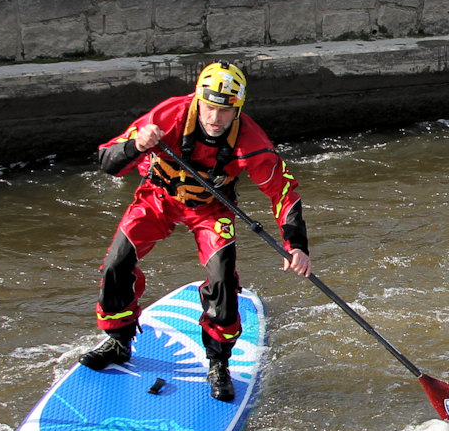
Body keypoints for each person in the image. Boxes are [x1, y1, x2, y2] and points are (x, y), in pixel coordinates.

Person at [82, 60, 311, 402]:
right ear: (197, 100)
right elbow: (107, 161)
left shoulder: (251, 140)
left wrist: (296, 245)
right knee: (117, 264)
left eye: (226, 110)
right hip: (158, 198)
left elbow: (283, 192)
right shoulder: (167, 115)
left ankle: (218, 362)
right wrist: (137, 145)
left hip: (211, 209)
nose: (215, 118)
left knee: (222, 281)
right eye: (209, 107)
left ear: (238, 109)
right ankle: (119, 341)